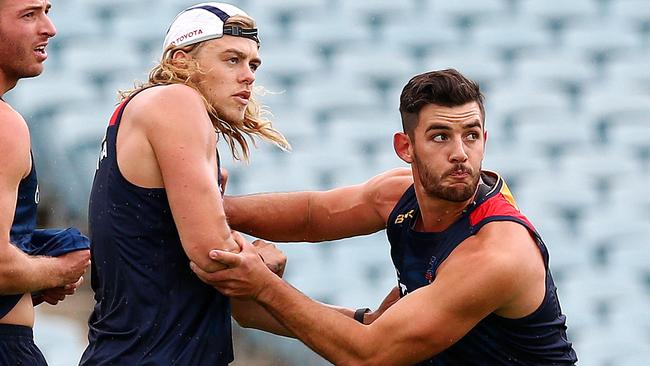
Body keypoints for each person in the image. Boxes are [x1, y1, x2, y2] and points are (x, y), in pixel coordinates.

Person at [79, 3, 398, 364]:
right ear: (181, 61)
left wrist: (360, 322)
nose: (248, 76)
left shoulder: (155, 121)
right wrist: (254, 262)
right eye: (232, 59)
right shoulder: (175, 100)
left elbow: (242, 306)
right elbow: (215, 256)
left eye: (253, 64)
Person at [193, 69, 579, 365]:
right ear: (405, 147)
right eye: (441, 136)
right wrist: (202, 206)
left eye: (471, 135)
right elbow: (311, 216)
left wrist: (262, 285)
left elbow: (369, 356)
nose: (460, 152)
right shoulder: (399, 196)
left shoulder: (496, 253)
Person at [0, 0, 91, 364]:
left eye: (47, 11)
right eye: (29, 14)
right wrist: (58, 269)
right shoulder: (5, 126)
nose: (49, 28)